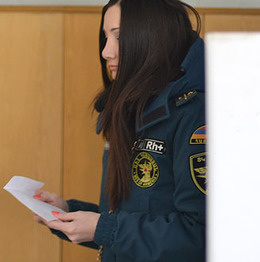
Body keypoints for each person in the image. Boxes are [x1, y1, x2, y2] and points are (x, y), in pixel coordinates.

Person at [33, 0, 206, 261]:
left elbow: (199, 237)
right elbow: (129, 220)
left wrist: (104, 228)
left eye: (119, 37)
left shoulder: (195, 113)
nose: (105, 52)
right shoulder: (133, 105)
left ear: (153, 38)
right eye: (105, 37)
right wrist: (70, 213)